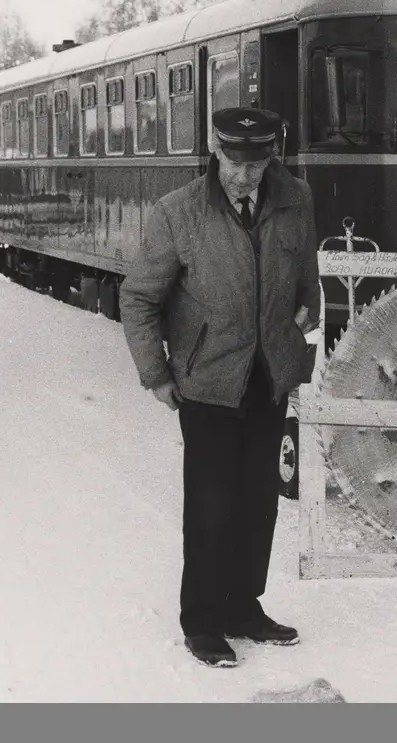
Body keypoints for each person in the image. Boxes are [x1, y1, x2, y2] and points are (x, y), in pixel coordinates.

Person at [120, 107, 321, 668]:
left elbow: (307, 273)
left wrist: (305, 316)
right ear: (214, 147)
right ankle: (203, 620)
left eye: (257, 164)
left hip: (269, 375)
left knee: (259, 500)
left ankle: (242, 605)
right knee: (211, 504)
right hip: (207, 379)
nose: (244, 176)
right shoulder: (178, 212)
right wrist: (156, 373)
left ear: (272, 156)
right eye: (234, 162)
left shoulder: (296, 198)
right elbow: (138, 299)